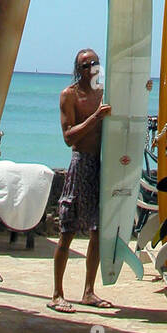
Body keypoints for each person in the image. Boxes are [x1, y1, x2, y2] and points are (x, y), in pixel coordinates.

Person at [49, 48, 113, 313]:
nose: (91, 68)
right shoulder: (70, 95)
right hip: (80, 164)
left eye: (94, 63)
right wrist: (95, 117)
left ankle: (89, 292)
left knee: (97, 231)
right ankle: (57, 294)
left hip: (102, 165)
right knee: (68, 231)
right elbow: (68, 137)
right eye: (85, 65)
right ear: (78, 69)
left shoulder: (105, 94)